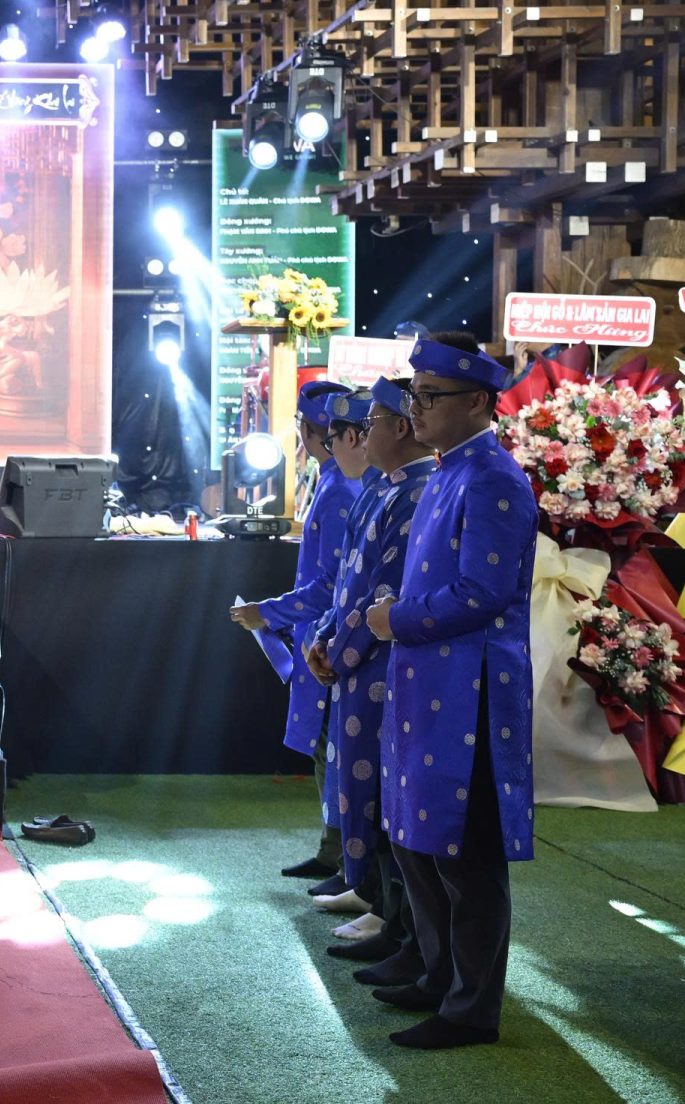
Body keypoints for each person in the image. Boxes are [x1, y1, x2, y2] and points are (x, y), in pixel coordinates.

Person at [365, 333, 535, 1050]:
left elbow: (482, 592)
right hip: (429, 680)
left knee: (467, 855)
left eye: (431, 396)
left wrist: (396, 620)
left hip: (472, 691)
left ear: (477, 402)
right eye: (414, 394)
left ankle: (471, 1010)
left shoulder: (493, 478)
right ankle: (439, 976)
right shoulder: (447, 473)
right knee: (422, 838)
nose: (417, 408)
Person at [306, 380, 436, 971]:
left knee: (385, 795)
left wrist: (340, 649)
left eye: (371, 424)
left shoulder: (417, 491)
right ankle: (380, 903)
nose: (361, 437)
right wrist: (325, 637)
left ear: (398, 428)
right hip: (355, 659)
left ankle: (393, 916)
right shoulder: (383, 488)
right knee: (361, 788)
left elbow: (387, 591)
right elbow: (345, 583)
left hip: (381, 664)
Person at [230, 381, 360, 888]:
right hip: (320, 634)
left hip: (331, 639)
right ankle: (335, 853)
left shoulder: (341, 489)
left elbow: (329, 585)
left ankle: (349, 862)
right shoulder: (335, 482)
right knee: (328, 750)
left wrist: (268, 613)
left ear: (310, 432)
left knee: (337, 751)